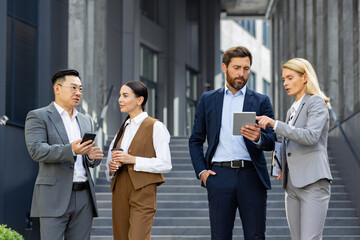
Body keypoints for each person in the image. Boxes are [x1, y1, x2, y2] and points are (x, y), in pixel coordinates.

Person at [189, 46, 276, 240]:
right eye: (236, 67)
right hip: (219, 175)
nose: (241, 73)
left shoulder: (261, 101)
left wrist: (258, 138)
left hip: (252, 175)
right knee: (220, 236)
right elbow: (195, 139)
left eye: (246, 68)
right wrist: (202, 172)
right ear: (224, 67)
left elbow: (272, 141)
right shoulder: (208, 99)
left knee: (255, 236)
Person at [256, 58, 333, 240]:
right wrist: (280, 165)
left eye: (290, 78)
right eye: (283, 79)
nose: (285, 83)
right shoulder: (292, 110)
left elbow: (310, 136)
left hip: (313, 183)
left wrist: (275, 124)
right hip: (292, 185)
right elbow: (290, 143)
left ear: (305, 77)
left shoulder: (316, 103)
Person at [24, 69, 104, 240]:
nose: (78, 93)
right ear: (57, 88)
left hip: (84, 196)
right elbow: (36, 150)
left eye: (81, 89)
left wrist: (91, 157)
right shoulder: (38, 116)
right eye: (73, 87)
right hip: (53, 196)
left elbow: (89, 159)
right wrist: (71, 150)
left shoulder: (86, 119)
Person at [105, 81, 172, 240]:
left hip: (143, 189)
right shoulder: (122, 129)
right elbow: (109, 167)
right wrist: (111, 168)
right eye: (120, 95)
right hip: (120, 187)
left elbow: (165, 163)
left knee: (138, 237)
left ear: (140, 100)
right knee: (120, 237)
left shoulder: (156, 126)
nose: (120, 99)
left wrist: (133, 159)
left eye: (125, 95)